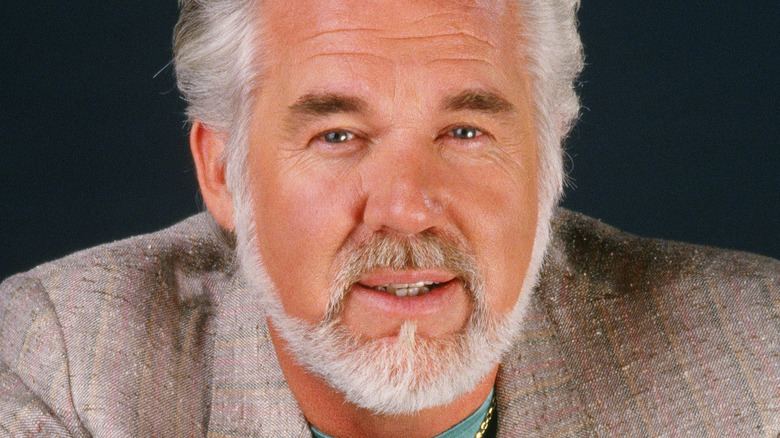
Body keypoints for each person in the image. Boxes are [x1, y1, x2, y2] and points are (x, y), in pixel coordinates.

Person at [0, 0, 777, 436]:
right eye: (338, 135)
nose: (405, 208)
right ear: (222, 171)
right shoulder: (62, 368)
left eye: (466, 132)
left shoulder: (757, 364)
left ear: (549, 158)